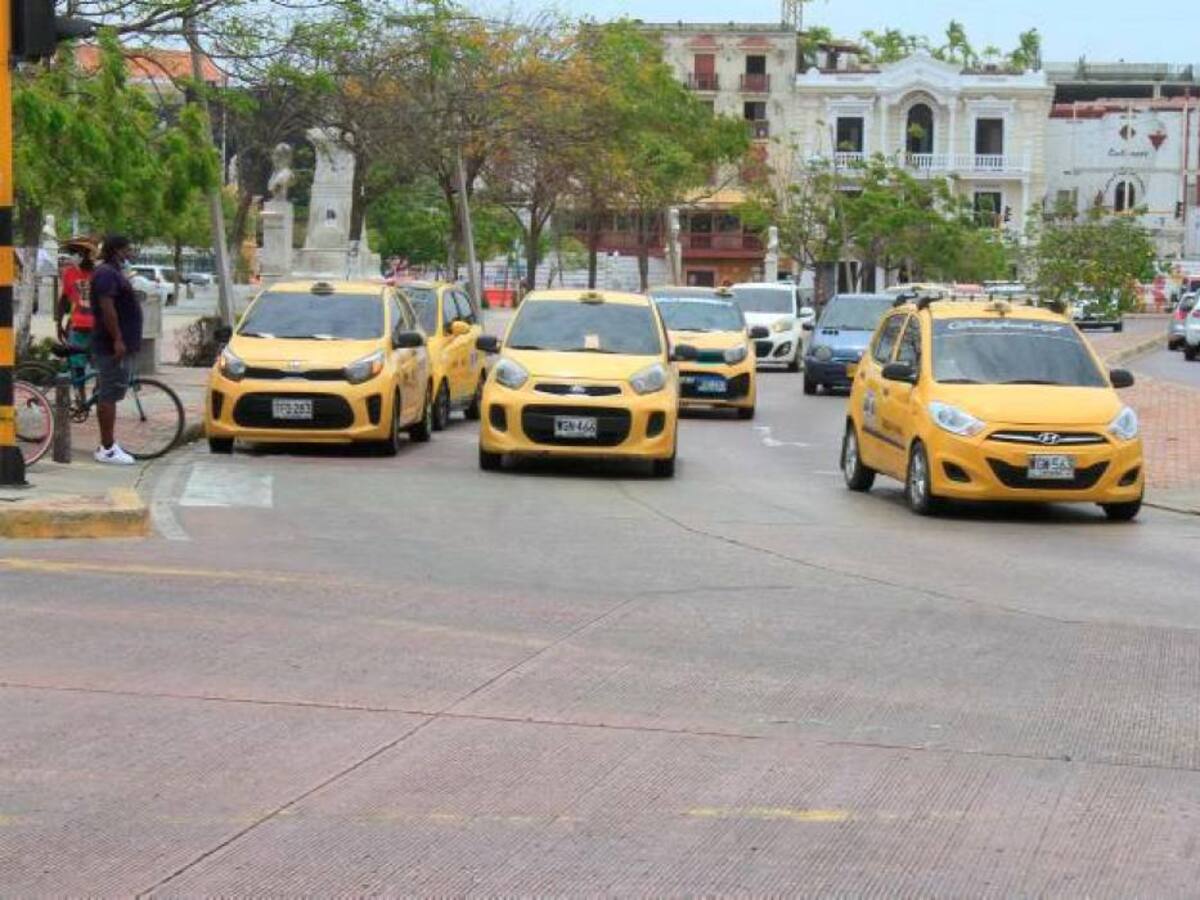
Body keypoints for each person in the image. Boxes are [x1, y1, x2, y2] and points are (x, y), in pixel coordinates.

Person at [90, 235, 142, 465]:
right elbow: (107, 308)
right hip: (111, 345)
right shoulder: (106, 274)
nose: (131, 253)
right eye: (128, 249)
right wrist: (118, 339)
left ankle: (109, 444)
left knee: (110, 392)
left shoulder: (114, 273)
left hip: (118, 344)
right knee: (109, 395)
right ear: (117, 250)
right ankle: (107, 448)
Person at [56, 237, 98, 391]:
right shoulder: (69, 273)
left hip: (98, 328)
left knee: (100, 365)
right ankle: (81, 400)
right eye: (71, 252)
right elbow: (63, 301)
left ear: (86, 254)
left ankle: (98, 394)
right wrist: (58, 324)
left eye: (76, 252)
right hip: (77, 326)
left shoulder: (99, 273)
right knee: (77, 366)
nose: (73, 256)